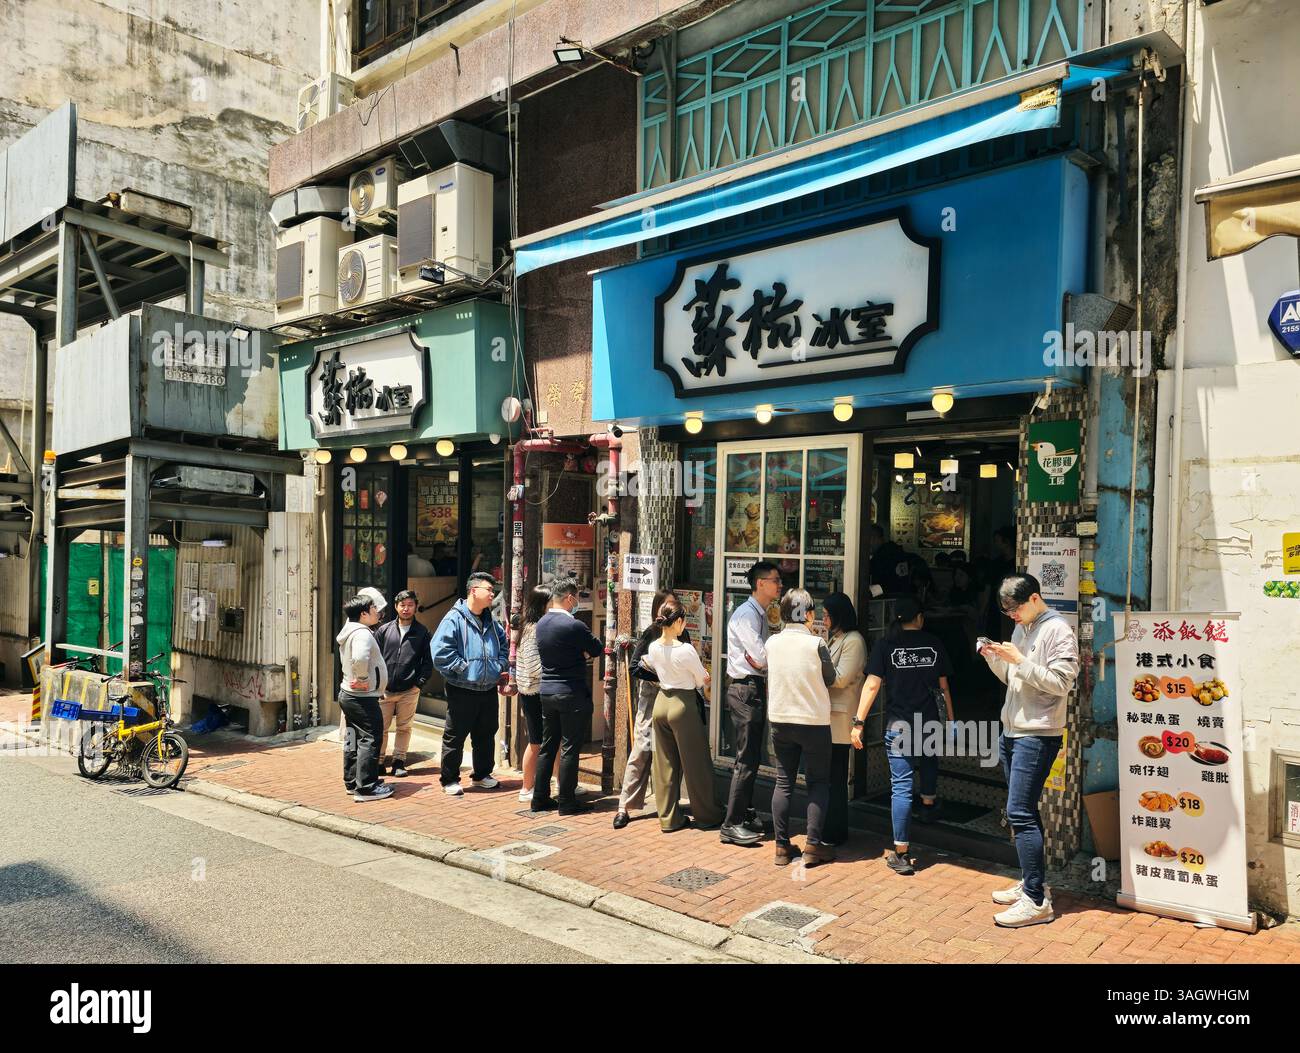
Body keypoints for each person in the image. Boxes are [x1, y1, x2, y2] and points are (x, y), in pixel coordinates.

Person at [980, 573, 1079, 928]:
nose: (1013, 617)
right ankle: (1031, 884)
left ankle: (1036, 901)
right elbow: (1014, 679)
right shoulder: (1024, 627)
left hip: (1037, 734)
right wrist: (995, 657)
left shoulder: (1058, 631)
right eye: (1008, 613)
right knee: (1024, 811)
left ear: (1034, 598)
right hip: (1013, 729)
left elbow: (1062, 683)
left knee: (1019, 812)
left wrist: (1019, 660)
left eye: (1016, 610)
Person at [852, 596, 954, 875]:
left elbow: (872, 685)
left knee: (901, 785)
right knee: (931, 758)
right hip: (929, 719)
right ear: (919, 618)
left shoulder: (886, 645)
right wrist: (952, 722)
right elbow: (943, 687)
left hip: (899, 724)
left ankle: (901, 852)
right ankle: (929, 804)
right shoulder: (933, 643)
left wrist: (858, 721)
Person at [764, 588, 838, 867]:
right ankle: (812, 847)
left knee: (784, 781)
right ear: (807, 615)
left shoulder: (772, 643)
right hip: (813, 721)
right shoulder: (816, 644)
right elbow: (830, 678)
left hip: (780, 719)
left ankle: (781, 847)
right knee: (818, 782)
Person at [637, 596, 723, 833]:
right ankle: (707, 815)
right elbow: (700, 679)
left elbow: (650, 666)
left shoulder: (654, 647)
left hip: (661, 703)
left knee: (664, 764)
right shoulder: (685, 649)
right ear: (678, 622)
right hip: (682, 705)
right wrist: (705, 677)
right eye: (683, 621)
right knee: (696, 763)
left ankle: (668, 818)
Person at [613, 590, 692, 830]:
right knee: (642, 748)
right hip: (651, 696)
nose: (669, 612)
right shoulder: (651, 633)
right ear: (657, 610)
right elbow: (635, 667)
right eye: (665, 607)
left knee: (672, 750)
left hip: (674, 697)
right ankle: (623, 807)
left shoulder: (684, 634)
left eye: (673, 608)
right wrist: (658, 677)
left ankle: (670, 805)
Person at [429, 572, 509, 796]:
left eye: (493, 591)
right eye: (489, 590)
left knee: (485, 733)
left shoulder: (490, 620)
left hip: (487, 689)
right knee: (455, 736)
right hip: (461, 689)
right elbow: (440, 652)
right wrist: (463, 669)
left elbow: (503, 644)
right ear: (474, 591)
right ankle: (449, 779)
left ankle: (482, 775)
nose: (492, 594)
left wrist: (498, 665)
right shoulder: (453, 618)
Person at [720, 561, 782, 847]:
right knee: (745, 760)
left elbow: (762, 658)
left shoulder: (759, 614)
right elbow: (761, 656)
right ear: (760, 583)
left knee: (752, 757)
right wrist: (768, 660)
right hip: (745, 689)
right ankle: (730, 824)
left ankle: (744, 814)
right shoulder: (747, 615)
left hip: (752, 687)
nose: (779, 585)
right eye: (775, 580)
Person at [532, 580, 604, 815]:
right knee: (570, 748)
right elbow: (596, 648)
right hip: (571, 692)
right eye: (577, 599)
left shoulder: (542, 623)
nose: (578, 603)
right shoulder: (574, 626)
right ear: (569, 598)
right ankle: (566, 800)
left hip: (547, 691)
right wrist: (580, 652)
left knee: (548, 746)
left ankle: (539, 798)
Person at [335, 593, 394, 802]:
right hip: (362, 696)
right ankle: (366, 787)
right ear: (363, 613)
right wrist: (362, 678)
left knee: (352, 736)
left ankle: (352, 781)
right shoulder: (362, 633)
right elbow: (360, 657)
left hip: (349, 695)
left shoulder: (349, 630)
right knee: (370, 738)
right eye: (373, 609)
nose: (377, 612)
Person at [374, 590, 433, 777]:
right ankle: (379, 761)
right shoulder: (384, 630)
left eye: (410, 605)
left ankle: (399, 762)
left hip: (409, 690)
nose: (406, 609)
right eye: (402, 605)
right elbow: (374, 659)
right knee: (380, 728)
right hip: (385, 690)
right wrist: (377, 684)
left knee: (404, 727)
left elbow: (427, 662)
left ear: (415, 607)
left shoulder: (422, 632)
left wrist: (419, 684)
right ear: (396, 607)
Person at [822, 592, 865, 846]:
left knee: (835, 777)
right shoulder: (836, 638)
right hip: (829, 714)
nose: (824, 619)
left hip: (841, 716)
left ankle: (835, 831)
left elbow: (841, 678)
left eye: (828, 615)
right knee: (830, 776)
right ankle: (830, 828)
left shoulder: (854, 640)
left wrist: (815, 666)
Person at [512, 585, 551, 803]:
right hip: (533, 693)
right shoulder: (532, 630)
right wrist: (556, 673)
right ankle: (526, 787)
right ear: (542, 605)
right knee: (536, 741)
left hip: (536, 691)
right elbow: (535, 667)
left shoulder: (533, 627)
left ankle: (558, 780)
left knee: (549, 740)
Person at [868, 523, 912, 595]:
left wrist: (870, 593)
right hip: (902, 595)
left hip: (888, 597)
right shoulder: (896, 552)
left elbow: (885, 584)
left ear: (873, 538)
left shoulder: (881, 556)